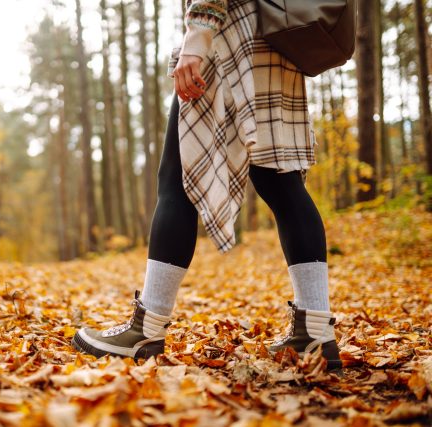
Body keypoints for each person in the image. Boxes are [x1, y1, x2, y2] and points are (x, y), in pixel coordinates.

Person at [71, 0, 342, 371]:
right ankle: (315, 334)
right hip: (273, 46)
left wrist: (196, 40)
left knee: (177, 180)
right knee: (281, 182)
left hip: (228, 43)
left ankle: (146, 330)